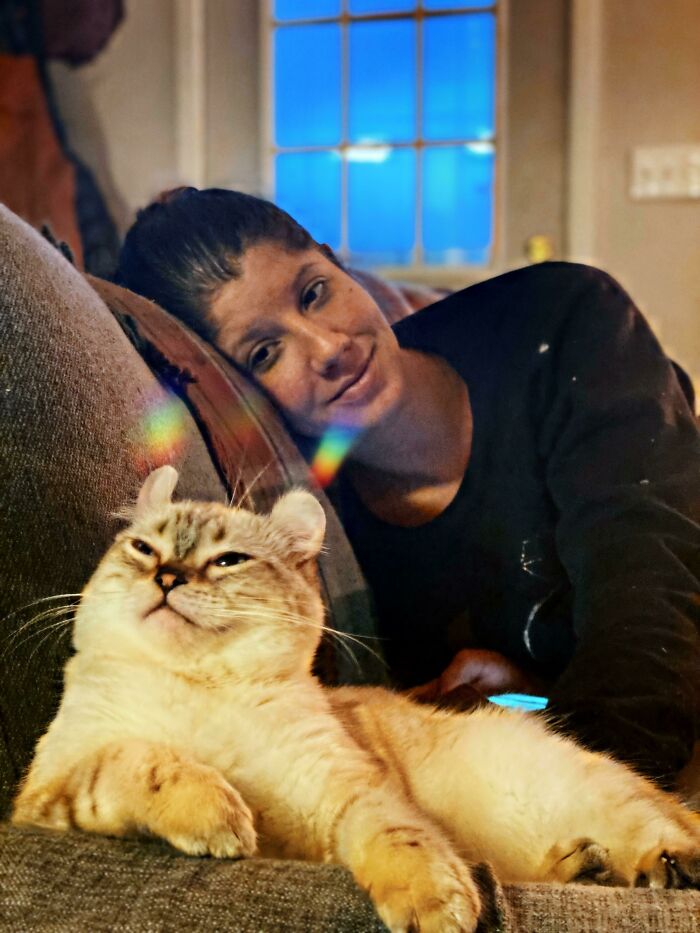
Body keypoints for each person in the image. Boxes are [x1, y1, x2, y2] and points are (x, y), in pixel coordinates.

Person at [115, 186, 700, 788]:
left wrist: (592, 795)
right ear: (240, 395)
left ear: (334, 259)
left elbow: (654, 610)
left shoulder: (560, 321)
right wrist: (534, 705)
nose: (329, 346)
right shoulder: (314, 537)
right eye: (266, 352)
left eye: (314, 293)